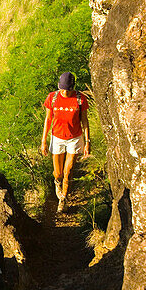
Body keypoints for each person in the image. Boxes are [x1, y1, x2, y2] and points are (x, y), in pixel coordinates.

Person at [41, 72, 90, 213]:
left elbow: (85, 121)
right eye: (62, 89)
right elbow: (48, 119)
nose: (65, 92)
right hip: (57, 138)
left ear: (72, 87)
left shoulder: (80, 99)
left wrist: (87, 141)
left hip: (74, 138)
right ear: (58, 86)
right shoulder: (53, 97)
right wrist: (44, 141)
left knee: (68, 171)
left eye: (67, 89)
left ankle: (63, 200)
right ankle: (58, 183)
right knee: (58, 173)